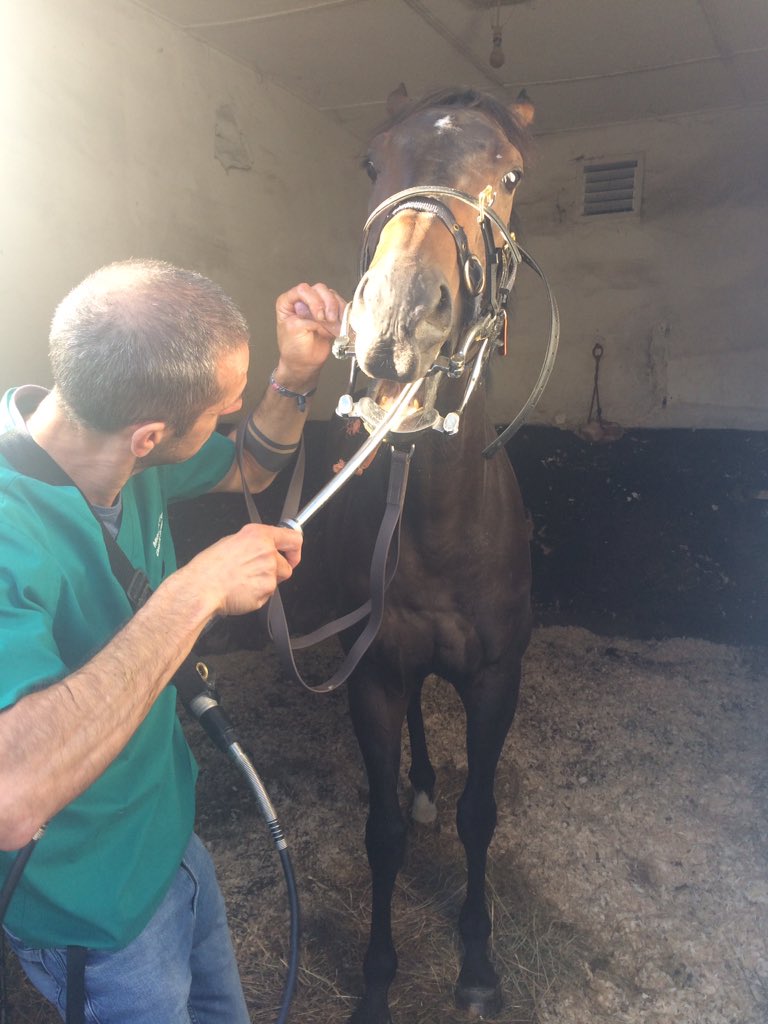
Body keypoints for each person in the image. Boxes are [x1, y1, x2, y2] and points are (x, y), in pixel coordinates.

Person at [0, 259, 344, 1023]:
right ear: (150, 435)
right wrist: (193, 592)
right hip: (92, 910)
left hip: (170, 851)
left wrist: (294, 374)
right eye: (223, 414)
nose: (232, 422)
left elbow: (255, 458)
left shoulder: (117, 454)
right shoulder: (8, 528)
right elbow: (12, 793)